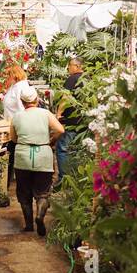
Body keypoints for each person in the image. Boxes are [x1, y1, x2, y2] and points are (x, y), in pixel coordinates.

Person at [9, 85, 65, 236]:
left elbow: (13, 138)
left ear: (22, 101)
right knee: (42, 193)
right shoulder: (45, 113)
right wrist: (51, 140)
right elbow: (60, 130)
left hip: (23, 156)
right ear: (36, 99)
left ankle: (28, 225)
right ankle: (39, 216)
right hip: (43, 155)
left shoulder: (17, 116)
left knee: (24, 192)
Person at [55, 57, 84, 186]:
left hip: (72, 122)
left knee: (62, 149)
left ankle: (64, 180)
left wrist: (58, 114)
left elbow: (66, 97)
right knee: (78, 151)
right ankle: (77, 179)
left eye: (70, 65)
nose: (68, 68)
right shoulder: (87, 80)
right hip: (83, 124)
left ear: (77, 66)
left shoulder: (72, 79)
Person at [0, 63, 28, 189]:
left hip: (17, 125)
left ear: (15, 75)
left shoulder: (20, 87)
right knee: (10, 151)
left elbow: (22, 107)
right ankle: (9, 180)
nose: (7, 77)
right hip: (11, 123)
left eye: (9, 75)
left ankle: (10, 182)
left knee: (12, 151)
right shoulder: (15, 86)